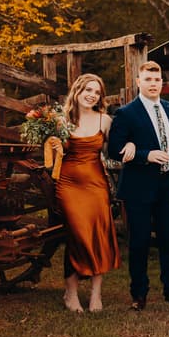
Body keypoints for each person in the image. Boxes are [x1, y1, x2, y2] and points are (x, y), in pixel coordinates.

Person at [109, 60, 169, 310]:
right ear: (138, 82)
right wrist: (145, 155)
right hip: (139, 186)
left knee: (168, 240)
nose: (153, 84)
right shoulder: (126, 113)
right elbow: (114, 150)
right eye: (148, 79)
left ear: (162, 81)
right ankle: (138, 294)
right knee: (140, 241)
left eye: (157, 79)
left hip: (167, 184)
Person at [54, 74, 120, 313]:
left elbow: (116, 150)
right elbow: (52, 153)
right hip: (69, 184)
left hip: (96, 185)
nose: (92, 95)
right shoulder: (62, 121)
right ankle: (70, 294)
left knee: (97, 234)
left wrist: (132, 146)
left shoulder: (105, 120)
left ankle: (95, 295)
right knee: (77, 235)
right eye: (88, 90)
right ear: (77, 91)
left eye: (97, 92)